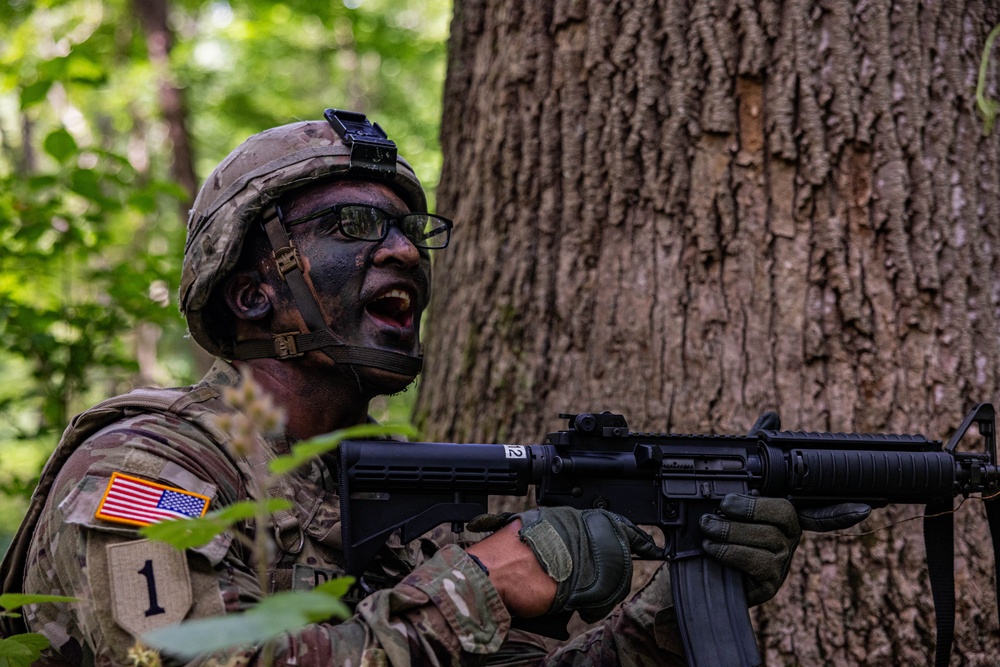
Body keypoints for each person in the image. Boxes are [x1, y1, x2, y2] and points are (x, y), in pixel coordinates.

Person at [0, 109, 865, 666]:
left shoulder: (388, 497)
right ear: (253, 289)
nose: (405, 249)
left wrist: (668, 615)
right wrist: (480, 585)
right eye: (354, 225)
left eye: (413, 231)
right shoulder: (141, 475)